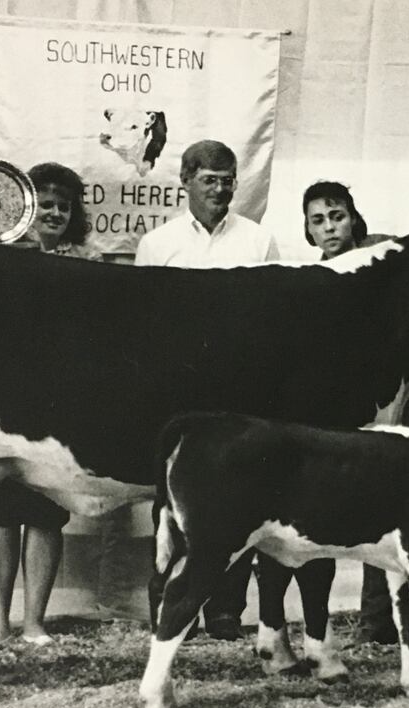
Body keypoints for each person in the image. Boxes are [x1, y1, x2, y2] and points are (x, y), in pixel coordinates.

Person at [301, 181, 409, 644]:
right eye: (319, 220)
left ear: (354, 218)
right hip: (374, 393)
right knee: (381, 497)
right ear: (309, 233)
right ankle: (379, 622)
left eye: (337, 215)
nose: (331, 226)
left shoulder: (386, 252)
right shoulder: (316, 282)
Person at [134, 139, 279, 639]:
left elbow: (271, 318)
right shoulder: (158, 244)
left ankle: (225, 609)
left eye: (228, 180)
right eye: (209, 180)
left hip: (241, 385)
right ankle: (171, 606)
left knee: (238, 494)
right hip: (179, 388)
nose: (220, 189)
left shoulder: (259, 241)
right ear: (185, 181)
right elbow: (146, 324)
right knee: (172, 495)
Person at [0, 162, 90, 649]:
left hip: (58, 403)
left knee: (46, 512)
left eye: (64, 206)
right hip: (2, 402)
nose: (56, 213)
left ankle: (34, 622)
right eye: (46, 204)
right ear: (24, 208)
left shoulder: (88, 261)